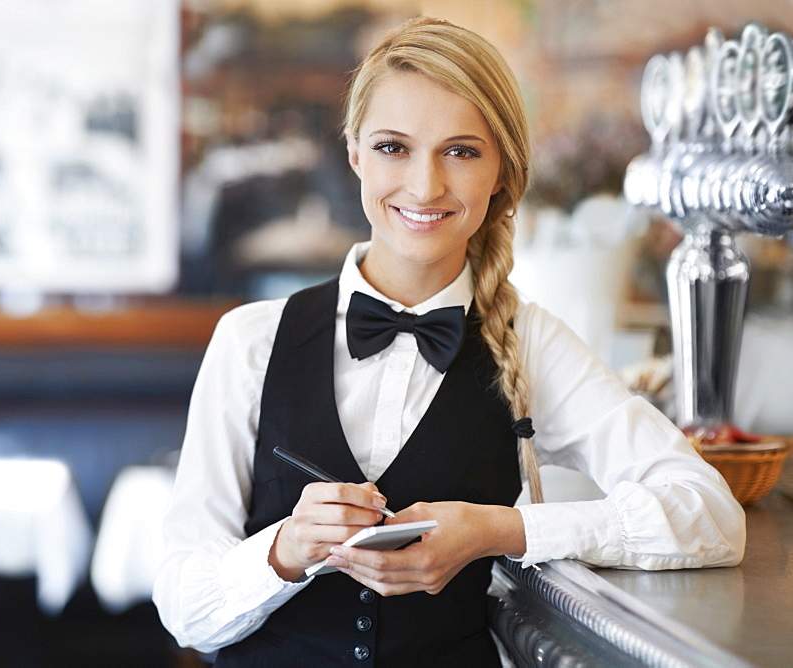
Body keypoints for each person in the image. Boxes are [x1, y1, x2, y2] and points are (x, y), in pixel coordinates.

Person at [153, 16, 745, 666]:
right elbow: (186, 608)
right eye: (392, 147)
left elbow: (709, 513)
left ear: (500, 173)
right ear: (353, 151)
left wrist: (502, 530)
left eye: (461, 151)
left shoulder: (530, 342)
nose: (425, 185)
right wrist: (284, 551)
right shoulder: (249, 342)